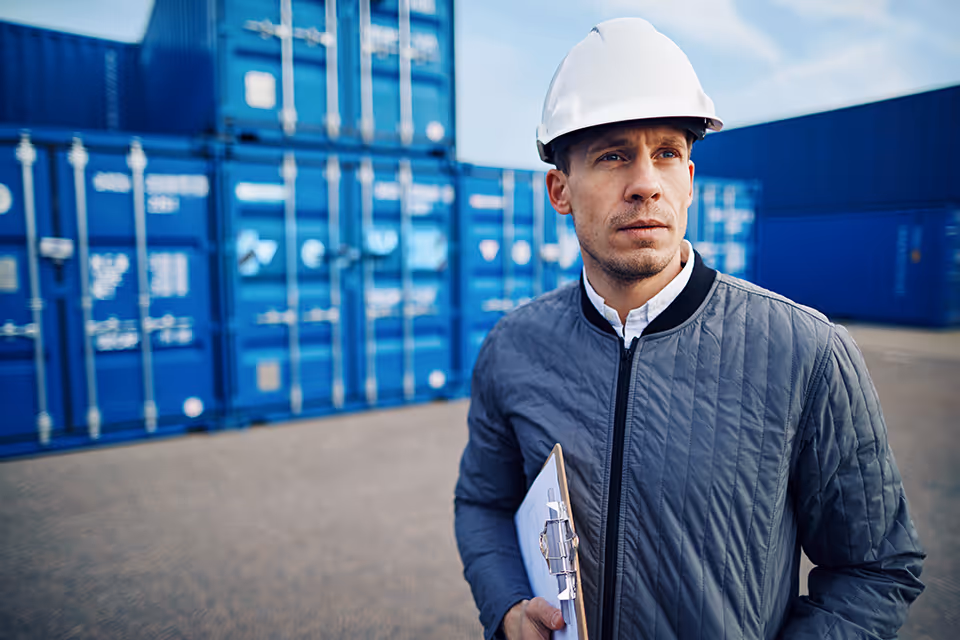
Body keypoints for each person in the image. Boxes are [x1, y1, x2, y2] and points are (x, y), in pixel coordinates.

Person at [454, 17, 924, 640]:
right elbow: (483, 503)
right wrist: (508, 605)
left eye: (668, 154)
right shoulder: (513, 348)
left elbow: (876, 568)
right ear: (559, 190)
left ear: (690, 180)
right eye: (614, 155)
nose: (646, 183)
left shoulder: (806, 353)